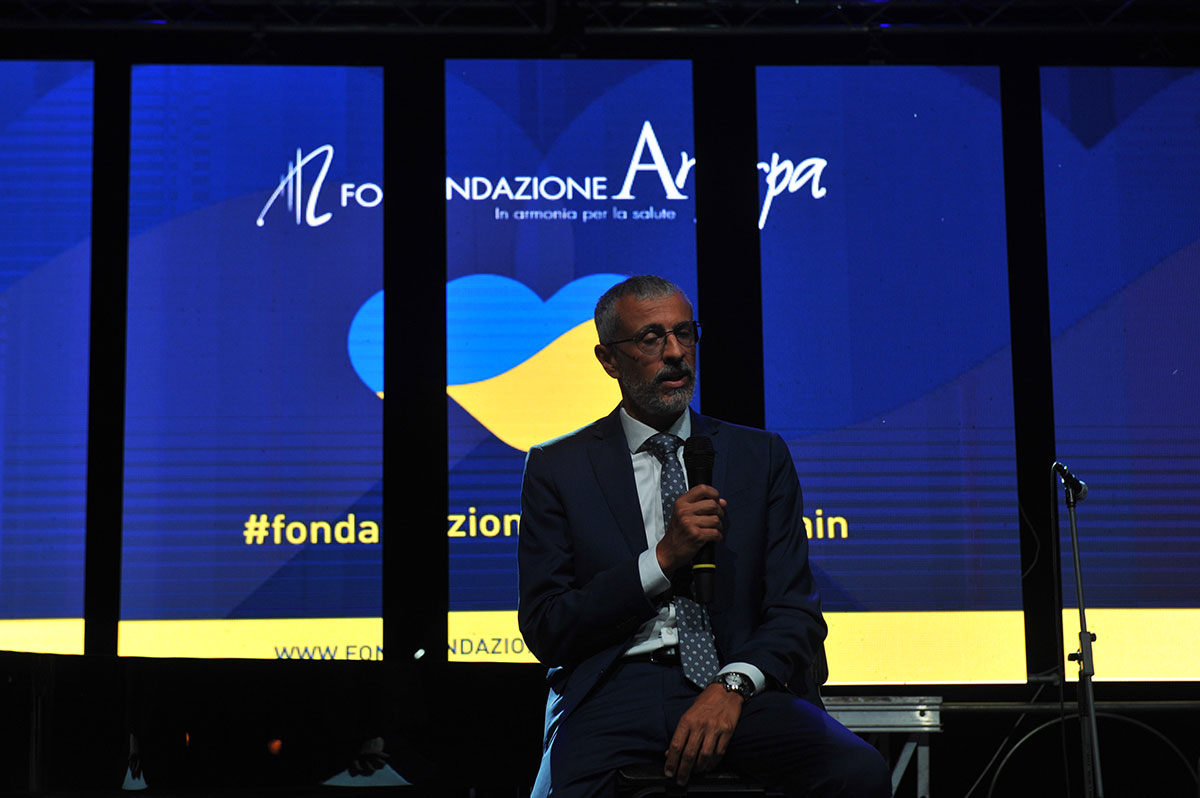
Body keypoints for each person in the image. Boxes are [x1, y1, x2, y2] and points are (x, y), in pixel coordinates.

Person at [517, 275, 891, 797]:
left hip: (738, 683)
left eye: (684, 333)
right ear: (608, 360)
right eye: (651, 338)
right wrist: (662, 560)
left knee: (858, 771)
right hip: (615, 688)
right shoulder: (559, 467)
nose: (675, 353)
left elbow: (796, 612)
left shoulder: (760, 457)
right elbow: (547, 626)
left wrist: (732, 685)